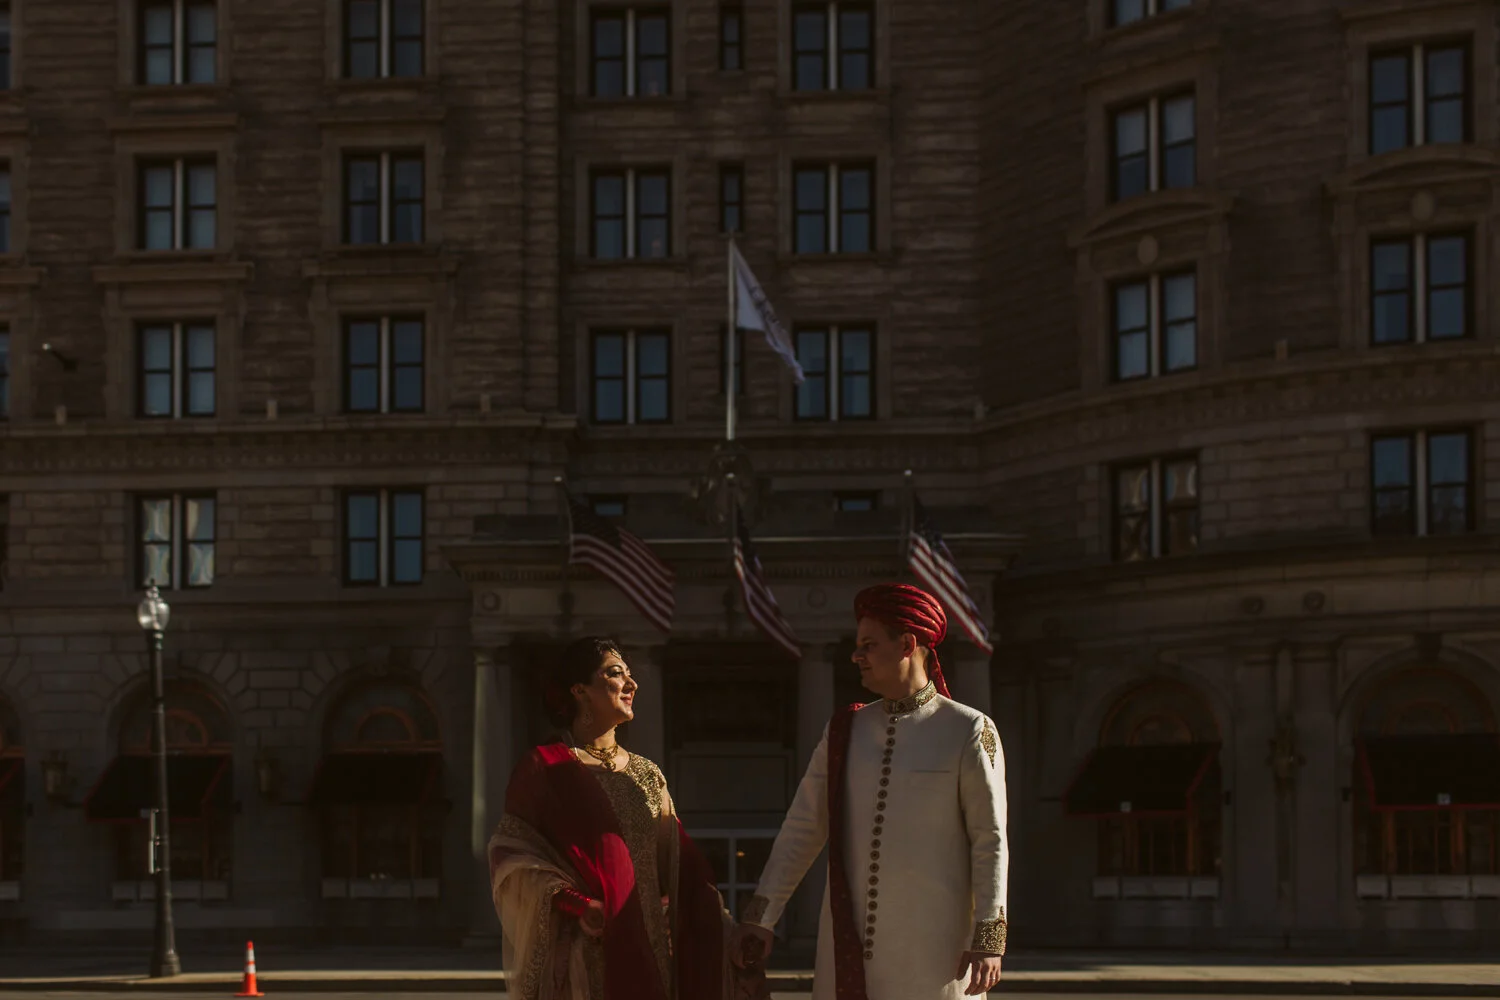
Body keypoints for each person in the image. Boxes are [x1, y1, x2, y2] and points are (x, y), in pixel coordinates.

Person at [731, 583, 1009, 999]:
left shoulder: (968, 729)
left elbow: (990, 839)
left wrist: (988, 938)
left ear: (907, 644)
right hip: (848, 949)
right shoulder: (845, 730)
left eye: (868, 644)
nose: (855, 655)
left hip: (937, 955)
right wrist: (761, 916)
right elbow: (803, 827)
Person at [488, 636, 770, 1000]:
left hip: (649, 952)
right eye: (616, 674)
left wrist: (729, 929)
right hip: (582, 960)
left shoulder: (646, 774)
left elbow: (685, 870)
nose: (632, 684)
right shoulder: (544, 768)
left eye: (630, 675)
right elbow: (511, 854)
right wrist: (574, 902)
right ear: (580, 690)